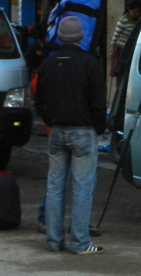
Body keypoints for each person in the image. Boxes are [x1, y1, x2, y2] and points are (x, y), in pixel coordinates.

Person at [35, 16, 106, 254]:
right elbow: (98, 102)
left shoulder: (48, 64)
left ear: (60, 36)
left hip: (57, 131)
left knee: (55, 186)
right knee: (82, 187)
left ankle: (53, 241)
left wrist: (50, 120)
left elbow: (40, 101)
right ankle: (80, 242)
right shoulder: (91, 64)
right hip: (84, 131)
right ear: (81, 36)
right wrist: (99, 126)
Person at [110, 0, 141, 76]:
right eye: (135, 11)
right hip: (122, 49)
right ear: (129, 10)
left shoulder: (139, 20)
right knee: (121, 72)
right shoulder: (123, 20)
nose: (137, 13)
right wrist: (112, 51)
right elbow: (115, 36)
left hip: (133, 48)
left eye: (138, 11)